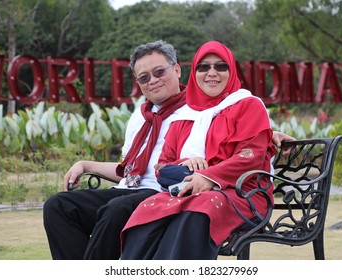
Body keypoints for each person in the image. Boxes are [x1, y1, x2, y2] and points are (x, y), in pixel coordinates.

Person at [43, 40, 294, 260]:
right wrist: (86, 165)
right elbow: (140, 168)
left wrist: (269, 135)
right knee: (58, 206)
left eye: (159, 72)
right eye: (144, 77)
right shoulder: (149, 117)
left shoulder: (199, 108)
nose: (152, 81)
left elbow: (243, 140)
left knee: (121, 211)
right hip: (158, 186)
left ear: (177, 70)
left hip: (173, 190)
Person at [120, 41, 278, 260]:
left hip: (243, 193)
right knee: (149, 209)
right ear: (194, 73)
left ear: (231, 71)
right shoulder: (187, 115)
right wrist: (186, 163)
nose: (211, 73)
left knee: (197, 211)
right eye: (203, 67)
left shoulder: (248, 105)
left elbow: (250, 156)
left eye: (220, 67)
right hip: (192, 191)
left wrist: (209, 177)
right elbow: (163, 166)